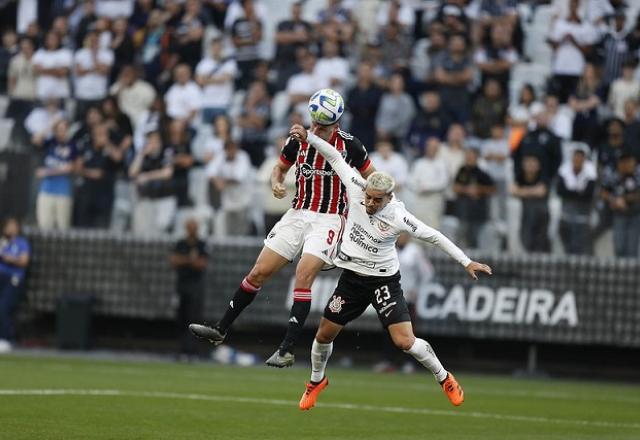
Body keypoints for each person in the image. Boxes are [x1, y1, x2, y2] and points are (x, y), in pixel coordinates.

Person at [288, 123, 491, 411]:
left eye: (376, 200)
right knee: (323, 334)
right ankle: (316, 381)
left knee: (405, 341)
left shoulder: (399, 216)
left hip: (383, 281)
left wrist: (466, 261)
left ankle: (444, 377)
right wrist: (308, 136)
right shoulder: (357, 185)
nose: (369, 203)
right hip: (353, 280)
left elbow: (434, 236)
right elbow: (334, 156)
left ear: (389, 198)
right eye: (368, 197)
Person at [190, 89, 375, 368]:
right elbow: (280, 168)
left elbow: (372, 177)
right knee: (258, 271)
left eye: (322, 127)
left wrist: (368, 207)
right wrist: (276, 182)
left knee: (303, 274)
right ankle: (221, 329)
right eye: (314, 124)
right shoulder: (297, 141)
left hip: (329, 218)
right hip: (297, 213)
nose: (316, 130)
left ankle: (287, 349)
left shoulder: (351, 146)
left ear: (336, 125)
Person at [170, 218, 208, 359]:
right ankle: (181, 350)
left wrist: (185, 260)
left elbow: (202, 264)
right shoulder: (180, 243)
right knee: (181, 318)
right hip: (182, 286)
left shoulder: (202, 244)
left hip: (195, 288)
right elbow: (174, 261)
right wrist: (191, 260)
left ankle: (193, 350)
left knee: (194, 319)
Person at [0, 218, 30, 352]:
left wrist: (9, 258)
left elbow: (24, 261)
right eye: (9, 225)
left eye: (14, 225)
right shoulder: (2, 242)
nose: (11, 228)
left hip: (13, 279)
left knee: (4, 308)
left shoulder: (22, 243)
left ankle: (7, 339)